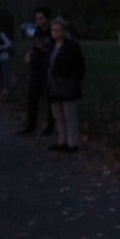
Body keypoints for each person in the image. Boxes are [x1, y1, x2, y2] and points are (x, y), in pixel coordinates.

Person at [46, 17, 85, 152]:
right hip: (54, 84)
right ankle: (61, 140)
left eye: (58, 30)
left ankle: (72, 142)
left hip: (67, 83)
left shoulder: (72, 46)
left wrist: (75, 81)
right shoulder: (51, 46)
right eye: (53, 30)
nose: (55, 33)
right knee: (58, 114)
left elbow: (79, 65)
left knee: (69, 114)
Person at [18, 7, 55, 135]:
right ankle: (31, 124)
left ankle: (50, 126)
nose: (38, 21)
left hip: (48, 68)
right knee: (32, 96)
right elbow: (34, 47)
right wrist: (30, 53)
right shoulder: (37, 31)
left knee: (48, 97)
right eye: (37, 18)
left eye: (41, 18)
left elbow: (53, 50)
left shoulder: (52, 32)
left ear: (47, 19)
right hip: (36, 67)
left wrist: (43, 49)